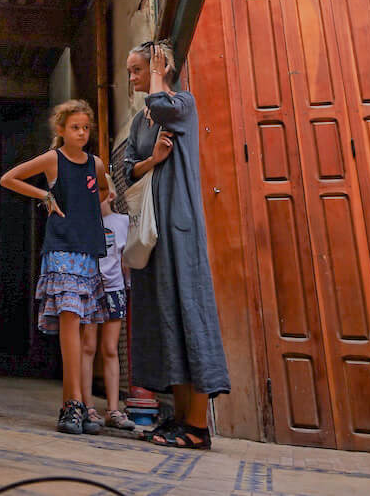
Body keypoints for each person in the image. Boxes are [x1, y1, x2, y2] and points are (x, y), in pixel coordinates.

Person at [125, 40, 230, 449]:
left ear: (160, 65)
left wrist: (157, 73)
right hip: (153, 232)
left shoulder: (181, 104)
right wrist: (152, 159)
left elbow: (162, 102)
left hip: (180, 226)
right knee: (165, 319)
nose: (131, 77)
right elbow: (128, 170)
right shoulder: (139, 122)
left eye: (137, 69)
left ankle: (198, 428)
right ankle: (180, 419)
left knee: (190, 313)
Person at [0, 99, 109, 435]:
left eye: (86, 128)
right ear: (61, 130)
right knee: (70, 321)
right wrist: (44, 196)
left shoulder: (97, 163)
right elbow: (9, 178)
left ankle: (78, 405)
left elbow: (103, 191)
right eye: (75, 127)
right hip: (61, 250)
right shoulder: (53, 159)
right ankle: (72, 403)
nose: (81, 133)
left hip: (88, 251)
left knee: (84, 329)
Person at [81, 176, 136, 432]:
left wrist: (127, 286)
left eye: (99, 191)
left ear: (111, 196)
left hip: (114, 291)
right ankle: (87, 406)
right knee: (88, 346)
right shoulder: (84, 223)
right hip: (90, 291)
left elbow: (127, 258)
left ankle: (114, 409)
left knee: (110, 349)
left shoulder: (122, 223)